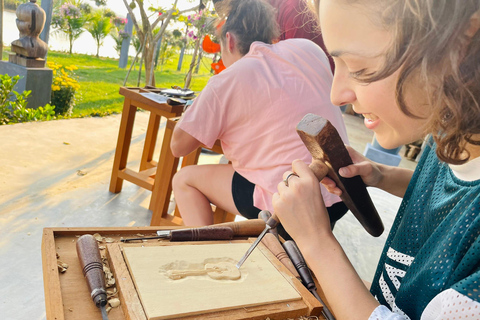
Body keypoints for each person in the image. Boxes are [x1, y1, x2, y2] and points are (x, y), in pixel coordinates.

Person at [273, 0, 480, 319]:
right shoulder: (450, 129)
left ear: (459, 44)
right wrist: (380, 176)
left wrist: (316, 243)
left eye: (359, 69)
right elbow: (454, 194)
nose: (336, 95)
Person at [170, 0, 349, 236]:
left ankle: (207, 251)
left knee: (184, 180)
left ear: (230, 40)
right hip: (342, 191)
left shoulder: (227, 81)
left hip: (290, 202)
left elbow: (178, 146)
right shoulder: (308, 49)